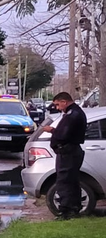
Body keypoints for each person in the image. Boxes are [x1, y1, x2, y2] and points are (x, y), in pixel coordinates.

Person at [42, 91, 87, 219]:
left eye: (57, 105)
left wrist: (52, 130)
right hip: (70, 152)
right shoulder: (74, 113)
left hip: (68, 152)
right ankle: (74, 208)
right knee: (71, 181)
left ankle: (66, 211)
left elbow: (63, 134)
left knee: (65, 182)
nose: (57, 108)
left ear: (64, 102)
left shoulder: (72, 115)